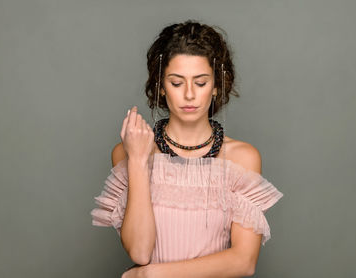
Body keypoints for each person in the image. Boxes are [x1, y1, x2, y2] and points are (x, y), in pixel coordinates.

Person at [91, 20, 284, 277]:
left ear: (216, 86)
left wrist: (150, 275)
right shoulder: (127, 153)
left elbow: (243, 262)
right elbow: (139, 252)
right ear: (161, 87)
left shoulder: (243, 158)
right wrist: (138, 161)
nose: (190, 95)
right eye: (177, 82)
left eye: (201, 83)